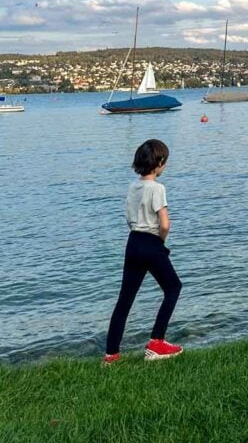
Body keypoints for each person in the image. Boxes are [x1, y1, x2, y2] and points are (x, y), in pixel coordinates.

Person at [104, 139, 183, 364]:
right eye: (164, 162)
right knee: (173, 288)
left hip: (133, 242)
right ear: (159, 163)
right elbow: (165, 223)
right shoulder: (157, 188)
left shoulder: (133, 187)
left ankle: (111, 354)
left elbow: (129, 218)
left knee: (125, 300)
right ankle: (157, 341)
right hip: (151, 241)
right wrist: (160, 242)